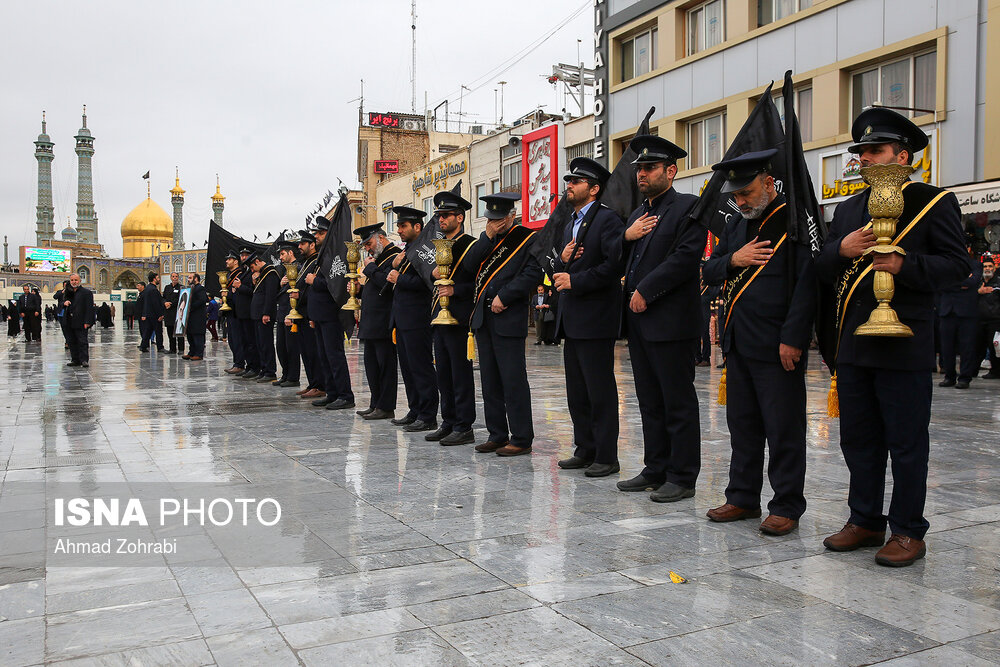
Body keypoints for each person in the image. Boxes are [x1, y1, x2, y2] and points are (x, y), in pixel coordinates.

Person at [816, 108, 971, 567]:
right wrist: (838, 250)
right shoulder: (846, 209)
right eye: (860, 153)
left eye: (875, 151)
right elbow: (821, 270)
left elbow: (957, 265)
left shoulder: (931, 200)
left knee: (905, 442)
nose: (865, 160)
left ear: (902, 155)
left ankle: (908, 530)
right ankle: (864, 520)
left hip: (904, 342)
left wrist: (906, 266)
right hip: (856, 343)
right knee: (857, 440)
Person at [702, 149, 817, 536]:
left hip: (777, 344)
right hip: (739, 340)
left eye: (747, 192)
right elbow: (709, 268)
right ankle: (742, 497)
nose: (741, 200)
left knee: (783, 429)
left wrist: (794, 338)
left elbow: (808, 284)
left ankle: (786, 505)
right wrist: (734, 259)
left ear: (769, 184)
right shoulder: (737, 225)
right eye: (735, 195)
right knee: (743, 426)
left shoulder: (794, 219)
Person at [616, 135, 704, 503]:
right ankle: (655, 468)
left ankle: (682, 476)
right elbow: (621, 261)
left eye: (649, 168)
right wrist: (624, 236)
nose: (642, 174)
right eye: (639, 168)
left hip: (671, 321)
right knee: (649, 400)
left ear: (671, 170)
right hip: (639, 322)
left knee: (677, 401)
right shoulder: (637, 215)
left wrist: (646, 291)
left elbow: (684, 259)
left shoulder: (688, 207)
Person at [551, 156, 626, 477]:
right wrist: (562, 260)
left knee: (599, 391)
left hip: (596, 318)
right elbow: (560, 266)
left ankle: (607, 455)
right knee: (576, 391)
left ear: (594, 189)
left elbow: (614, 266)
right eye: (568, 180)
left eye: (576, 182)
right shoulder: (570, 222)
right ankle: (585, 448)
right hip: (572, 318)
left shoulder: (609, 221)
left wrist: (576, 280)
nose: (569, 185)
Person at [465, 192, 542, 457]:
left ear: (511, 216)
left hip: (507, 317)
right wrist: (486, 237)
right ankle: (496, 434)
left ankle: (521, 437)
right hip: (483, 320)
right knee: (490, 381)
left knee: (513, 381)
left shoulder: (527, 238)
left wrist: (505, 296)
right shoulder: (487, 239)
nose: (495, 223)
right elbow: (468, 265)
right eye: (491, 219)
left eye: (500, 219)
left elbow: (533, 273)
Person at [428, 189, 478, 445]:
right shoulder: (441, 246)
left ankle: (463, 424)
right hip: (440, 316)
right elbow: (433, 278)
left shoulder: (471, 245)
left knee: (459, 373)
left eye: (446, 215)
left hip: (459, 317)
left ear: (460, 217)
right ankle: (447, 420)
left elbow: (479, 282)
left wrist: (455, 289)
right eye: (439, 216)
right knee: (443, 374)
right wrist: (434, 275)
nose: (441, 220)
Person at [386, 206, 439, 431]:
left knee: (421, 368)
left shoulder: (426, 250)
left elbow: (427, 283)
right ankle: (415, 409)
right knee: (407, 369)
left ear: (418, 227)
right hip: (402, 319)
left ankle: (427, 415)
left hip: (418, 319)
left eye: (403, 225)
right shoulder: (408, 250)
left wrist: (400, 278)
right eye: (398, 225)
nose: (398, 230)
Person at [305, 215, 355, 410]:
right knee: (324, 357)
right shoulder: (322, 254)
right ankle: (332, 392)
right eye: (316, 233)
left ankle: (345, 395)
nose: (316, 236)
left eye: (321, 233)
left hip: (331, 315)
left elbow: (337, 284)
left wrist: (314, 281)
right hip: (319, 315)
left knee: (335, 356)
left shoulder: (337, 256)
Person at [356, 223, 401, 420]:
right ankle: (375, 402)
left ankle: (386, 406)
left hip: (384, 321)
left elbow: (386, 283)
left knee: (385, 366)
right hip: (370, 321)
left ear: (381, 238)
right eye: (365, 245)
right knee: (372, 366)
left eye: (369, 243)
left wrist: (371, 269)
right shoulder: (378, 259)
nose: (367, 248)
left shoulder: (395, 256)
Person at [938, 256, 982, 389]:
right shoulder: (946, 263)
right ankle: (949, 376)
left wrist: (953, 283)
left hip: (967, 311)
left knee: (967, 347)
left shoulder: (975, 264)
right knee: (946, 347)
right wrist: (961, 283)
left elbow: (973, 281)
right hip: (947, 311)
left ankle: (965, 378)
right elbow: (941, 283)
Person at [294, 230, 326, 400]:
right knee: (306, 352)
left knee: (314, 352)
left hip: (310, 311)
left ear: (312, 245)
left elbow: (311, 287)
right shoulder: (306, 262)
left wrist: (300, 295)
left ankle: (320, 384)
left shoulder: (315, 260)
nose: (299, 247)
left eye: (302, 244)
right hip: (302, 312)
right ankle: (313, 383)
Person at [247, 253, 280, 383]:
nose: (252, 270)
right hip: (257, 315)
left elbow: (270, 295)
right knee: (260, 344)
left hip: (264, 315)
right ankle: (264, 369)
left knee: (266, 344)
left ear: (257, 261)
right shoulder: (263, 274)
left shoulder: (270, 273)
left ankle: (270, 371)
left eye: (252, 266)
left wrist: (266, 313)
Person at [274, 240, 301, 387]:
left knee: (291, 347)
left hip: (291, 314)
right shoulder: (284, 269)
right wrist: (281, 284)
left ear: (291, 253)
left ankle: (293, 377)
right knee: (281, 347)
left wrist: (292, 314)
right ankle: (285, 374)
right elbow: (280, 293)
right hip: (282, 311)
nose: (281, 257)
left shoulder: (298, 267)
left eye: (283, 254)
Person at [231, 247, 260, 378]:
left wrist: (239, 287)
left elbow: (252, 291)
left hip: (248, 312)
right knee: (245, 342)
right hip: (241, 313)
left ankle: (255, 367)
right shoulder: (244, 272)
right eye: (241, 255)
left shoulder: (252, 273)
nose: (243, 258)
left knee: (251, 342)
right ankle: (249, 366)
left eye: (246, 255)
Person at [63, 273, 95, 367]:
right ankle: (75, 359)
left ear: (80, 281)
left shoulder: (86, 293)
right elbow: (60, 303)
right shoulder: (68, 292)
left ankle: (84, 360)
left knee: (82, 341)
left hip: (81, 321)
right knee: (71, 341)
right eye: (72, 280)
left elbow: (89, 308)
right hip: (69, 321)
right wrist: (64, 303)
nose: (74, 282)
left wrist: (88, 321)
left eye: (76, 280)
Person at [221, 252, 246, 373]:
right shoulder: (230, 275)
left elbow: (237, 293)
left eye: (229, 259)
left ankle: (239, 363)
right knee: (231, 339)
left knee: (237, 339)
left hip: (237, 311)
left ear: (236, 261)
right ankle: (237, 362)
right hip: (230, 311)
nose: (227, 261)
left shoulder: (239, 274)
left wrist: (228, 295)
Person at [977, 257, 1000, 378]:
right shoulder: (977, 282)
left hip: (994, 320)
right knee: (976, 346)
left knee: (993, 347)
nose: (987, 269)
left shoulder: (998, 283)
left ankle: (995, 371)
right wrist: (978, 292)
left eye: (990, 266)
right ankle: (972, 370)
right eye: (985, 266)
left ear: (994, 268)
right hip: (978, 320)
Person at [697, 267, 720, 367]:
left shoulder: (708, 283)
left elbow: (714, 293)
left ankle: (706, 358)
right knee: (696, 334)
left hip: (704, 310)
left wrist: (705, 298)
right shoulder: (698, 282)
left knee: (705, 334)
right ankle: (697, 357)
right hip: (696, 310)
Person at [183, 273, 208, 360]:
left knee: (197, 335)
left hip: (198, 317)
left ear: (196, 279)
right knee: (190, 335)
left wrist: (190, 307)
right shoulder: (191, 288)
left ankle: (198, 353)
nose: (188, 279)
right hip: (190, 317)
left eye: (190, 278)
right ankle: (192, 352)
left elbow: (202, 300)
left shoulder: (200, 288)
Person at [139, 273, 165, 352]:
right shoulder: (153, 290)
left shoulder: (147, 289)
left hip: (148, 314)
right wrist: (160, 314)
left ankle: (143, 346)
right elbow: (155, 303)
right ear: (154, 279)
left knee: (148, 330)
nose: (159, 279)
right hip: (155, 315)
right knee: (158, 331)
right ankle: (160, 347)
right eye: (157, 278)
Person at [162, 272, 185, 355]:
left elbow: (181, 298)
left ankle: (181, 349)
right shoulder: (167, 287)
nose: (174, 278)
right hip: (168, 313)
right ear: (171, 278)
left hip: (177, 312)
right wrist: (165, 303)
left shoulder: (181, 287)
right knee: (170, 332)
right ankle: (172, 349)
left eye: (176, 276)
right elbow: (163, 297)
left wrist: (171, 303)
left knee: (179, 332)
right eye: (173, 276)